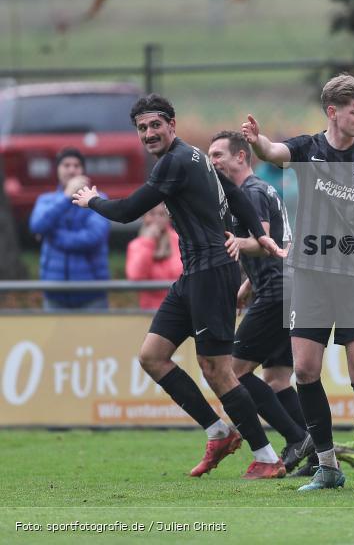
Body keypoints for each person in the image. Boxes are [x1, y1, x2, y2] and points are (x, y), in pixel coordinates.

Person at [72, 94, 288, 480]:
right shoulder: (194, 156)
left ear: (172, 125)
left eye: (156, 125)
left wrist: (92, 201)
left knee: (218, 370)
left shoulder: (174, 162)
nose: (149, 133)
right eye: (142, 128)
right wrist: (261, 235)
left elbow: (126, 212)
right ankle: (217, 431)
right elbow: (235, 194)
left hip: (211, 273)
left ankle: (268, 457)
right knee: (152, 356)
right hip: (193, 276)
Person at [241, 74, 354, 493]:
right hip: (308, 274)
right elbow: (273, 151)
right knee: (304, 370)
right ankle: (327, 467)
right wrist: (256, 142)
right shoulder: (308, 148)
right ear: (333, 112)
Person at [208, 130, 315, 475]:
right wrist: (249, 281)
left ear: (242, 156)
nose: (212, 162)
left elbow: (263, 240)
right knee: (277, 378)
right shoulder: (265, 190)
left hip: (277, 291)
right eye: (209, 156)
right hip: (284, 286)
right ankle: (315, 453)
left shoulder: (250, 192)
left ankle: (296, 437)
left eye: (218, 155)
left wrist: (231, 244)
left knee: (233, 372)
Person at [30, 148, 109, 310]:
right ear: (57, 170)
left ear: (83, 171)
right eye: (66, 165)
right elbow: (36, 225)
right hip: (54, 295)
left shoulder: (98, 199)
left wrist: (50, 236)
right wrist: (66, 197)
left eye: (77, 165)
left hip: (92, 294)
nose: (72, 170)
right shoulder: (46, 200)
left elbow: (93, 237)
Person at [126, 203, 182, 310]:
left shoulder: (179, 241)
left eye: (161, 214)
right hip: (150, 311)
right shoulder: (136, 245)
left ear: (168, 218)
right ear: (144, 217)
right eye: (151, 214)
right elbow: (135, 276)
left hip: (180, 309)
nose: (157, 219)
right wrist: (148, 242)